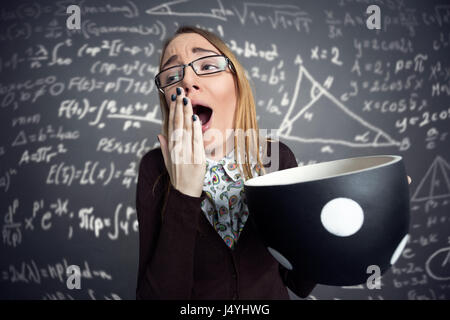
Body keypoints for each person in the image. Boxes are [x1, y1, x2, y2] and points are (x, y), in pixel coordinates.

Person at [135, 25, 412, 300]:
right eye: (172, 75)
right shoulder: (155, 169)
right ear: (167, 99)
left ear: (237, 84)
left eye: (207, 66)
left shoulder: (276, 158)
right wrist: (184, 192)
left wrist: (361, 211)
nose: (187, 81)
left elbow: (299, 282)